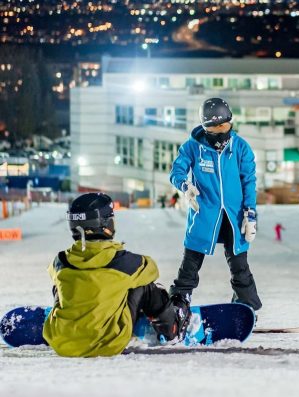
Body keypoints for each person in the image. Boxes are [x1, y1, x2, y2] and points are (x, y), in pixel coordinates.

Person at [42, 193, 190, 357]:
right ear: (105, 224)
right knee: (144, 285)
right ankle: (172, 328)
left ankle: (73, 318)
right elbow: (152, 270)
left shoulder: (60, 260)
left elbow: (54, 272)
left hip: (61, 341)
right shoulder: (122, 261)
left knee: (59, 284)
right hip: (107, 342)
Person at [169, 97, 262, 312]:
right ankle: (178, 304)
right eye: (215, 127)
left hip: (234, 217)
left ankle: (245, 306)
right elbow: (177, 171)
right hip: (204, 214)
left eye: (225, 125)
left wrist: (250, 214)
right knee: (190, 264)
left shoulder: (241, 147)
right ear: (205, 127)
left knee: (239, 266)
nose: (221, 131)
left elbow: (249, 180)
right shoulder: (193, 146)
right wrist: (185, 186)